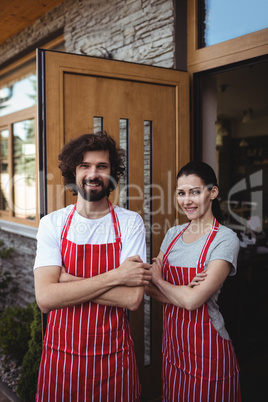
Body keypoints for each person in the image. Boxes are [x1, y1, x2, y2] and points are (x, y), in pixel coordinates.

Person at [34, 131, 151, 401]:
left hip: (113, 358)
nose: (93, 173)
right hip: (62, 359)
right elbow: (46, 298)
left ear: (112, 174)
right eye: (84, 166)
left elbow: (132, 299)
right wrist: (117, 276)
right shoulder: (53, 223)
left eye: (102, 166)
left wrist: (66, 280)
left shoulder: (130, 222)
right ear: (73, 173)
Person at [145, 161, 241, 402]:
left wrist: (161, 281)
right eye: (181, 193)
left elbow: (192, 301)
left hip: (208, 353)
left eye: (195, 192)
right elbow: (148, 287)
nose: (186, 200)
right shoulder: (172, 235)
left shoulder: (225, 240)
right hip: (173, 350)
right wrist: (183, 291)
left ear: (213, 192)